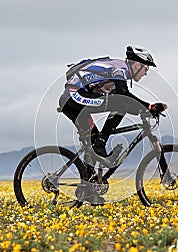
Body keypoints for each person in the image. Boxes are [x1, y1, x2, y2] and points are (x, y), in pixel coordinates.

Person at [58, 45, 167, 205]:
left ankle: (89, 190)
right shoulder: (120, 68)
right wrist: (148, 107)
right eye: (146, 69)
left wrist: (141, 110)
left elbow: (122, 97)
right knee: (120, 105)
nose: (146, 74)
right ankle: (101, 144)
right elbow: (124, 96)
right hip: (75, 97)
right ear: (137, 65)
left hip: (73, 100)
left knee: (92, 141)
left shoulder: (116, 72)